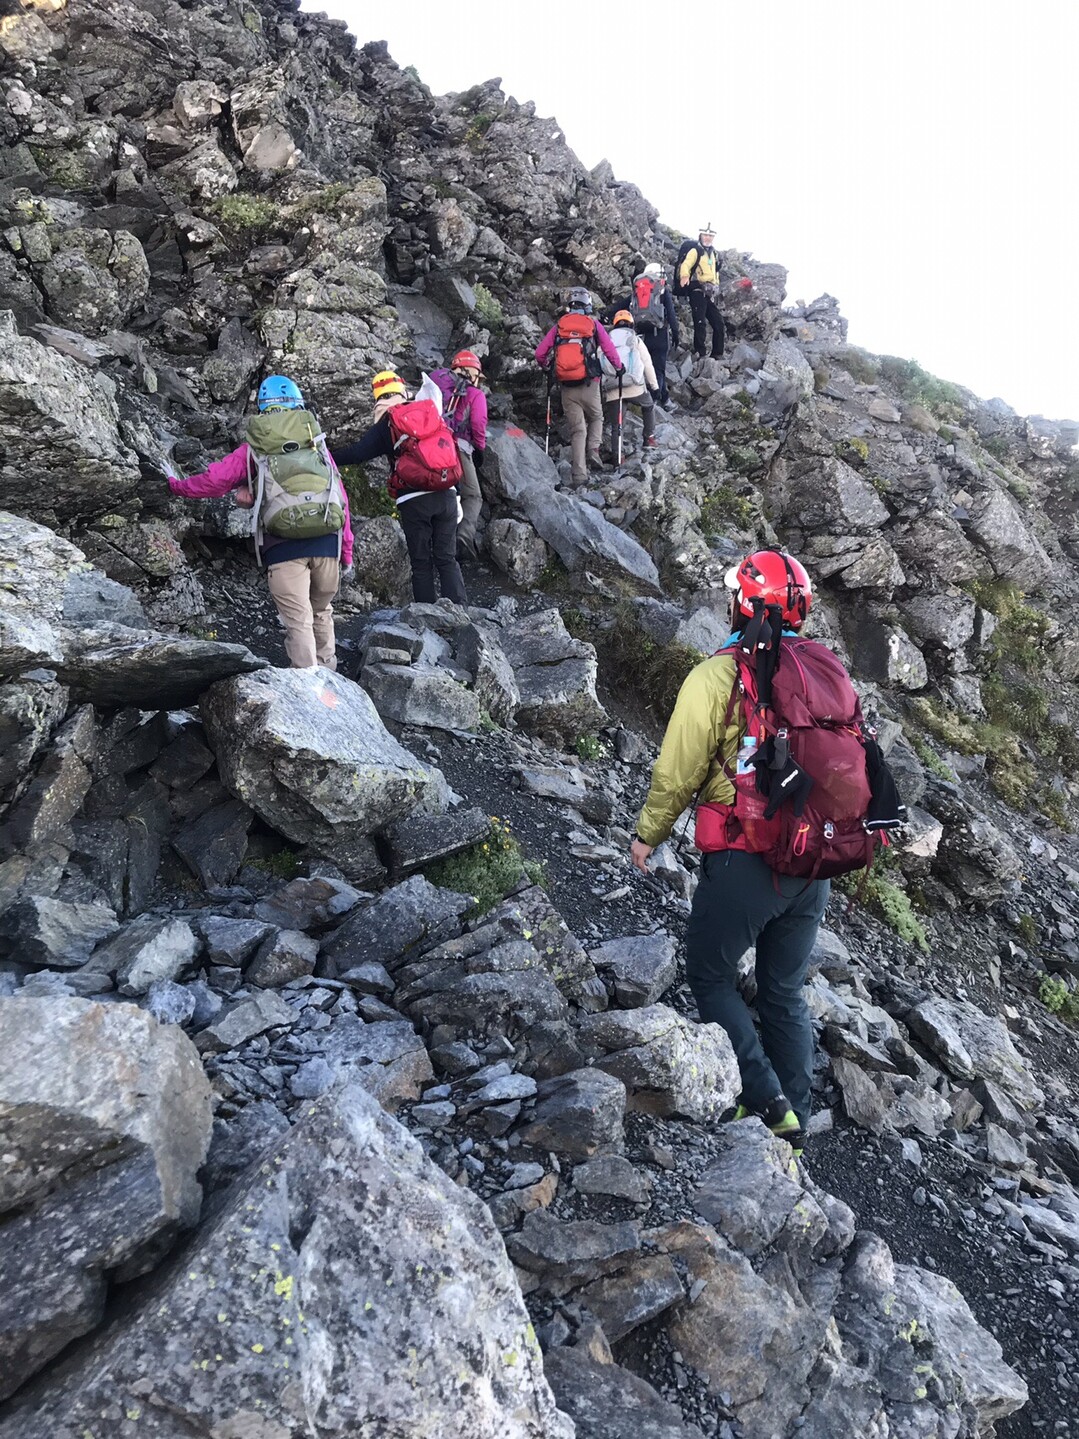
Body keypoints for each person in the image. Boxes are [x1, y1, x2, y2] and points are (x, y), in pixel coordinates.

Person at [630, 550, 826, 1155]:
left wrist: (647, 835)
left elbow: (678, 769)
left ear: (743, 604)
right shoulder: (821, 673)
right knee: (783, 990)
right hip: (813, 860)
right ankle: (796, 1110)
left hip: (746, 856)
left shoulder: (718, 675)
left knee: (711, 977)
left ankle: (768, 1106)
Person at [167, 374, 353, 671]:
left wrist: (177, 486)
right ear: (298, 403)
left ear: (263, 408)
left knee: (299, 621)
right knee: (321, 612)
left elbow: (215, 480)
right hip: (327, 541)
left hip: (283, 548)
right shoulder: (317, 445)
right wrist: (346, 552)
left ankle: (309, 694)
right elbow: (341, 498)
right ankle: (332, 687)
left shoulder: (255, 448)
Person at [333, 370, 467, 606]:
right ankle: (461, 614)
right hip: (446, 492)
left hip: (414, 499)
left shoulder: (389, 420)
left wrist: (327, 456)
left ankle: (428, 618)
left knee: (421, 562)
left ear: (378, 397)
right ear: (403, 390)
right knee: (447, 558)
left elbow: (357, 454)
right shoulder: (428, 409)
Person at [535, 287, 623, 485]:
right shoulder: (593, 324)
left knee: (577, 430)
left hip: (566, 385)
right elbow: (609, 349)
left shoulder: (559, 326)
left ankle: (579, 476)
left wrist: (547, 366)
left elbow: (540, 353)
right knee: (596, 417)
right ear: (588, 305)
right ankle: (593, 450)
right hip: (590, 382)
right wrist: (619, 368)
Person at [429, 350, 487, 560]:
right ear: (471, 372)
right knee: (472, 495)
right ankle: (461, 541)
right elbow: (478, 424)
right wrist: (479, 449)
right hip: (458, 448)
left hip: (430, 445)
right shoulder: (475, 394)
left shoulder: (436, 381)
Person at [606, 264, 680, 407]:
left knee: (645, 367)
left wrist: (605, 315)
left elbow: (621, 305)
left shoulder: (638, 291)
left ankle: (661, 398)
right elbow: (671, 315)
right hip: (660, 334)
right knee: (658, 369)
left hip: (641, 336)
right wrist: (676, 335)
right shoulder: (662, 292)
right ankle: (654, 403)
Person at [600, 311, 659, 457]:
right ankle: (649, 438)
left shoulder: (606, 340)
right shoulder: (635, 340)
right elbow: (647, 364)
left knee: (616, 425)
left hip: (613, 387)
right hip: (634, 386)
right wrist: (654, 386)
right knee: (648, 405)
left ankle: (617, 456)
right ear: (631, 324)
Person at [677, 224, 725, 360]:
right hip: (697, 290)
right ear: (701, 236)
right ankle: (700, 352)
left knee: (718, 322)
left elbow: (715, 272)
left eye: (710, 236)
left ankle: (717, 353)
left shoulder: (714, 253)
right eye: (706, 235)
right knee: (700, 322)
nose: (708, 238)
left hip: (710, 292)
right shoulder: (696, 250)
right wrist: (684, 276)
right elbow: (686, 264)